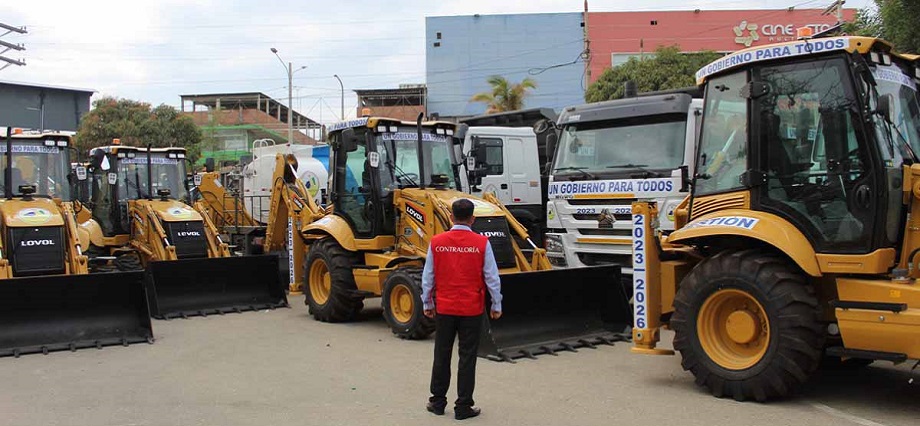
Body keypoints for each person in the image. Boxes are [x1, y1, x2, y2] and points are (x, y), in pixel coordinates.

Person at [421, 198, 502, 421]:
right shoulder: (481, 243)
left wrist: (427, 303)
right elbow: (491, 277)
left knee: (441, 354)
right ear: (472, 219)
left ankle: (437, 402)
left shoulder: (436, 242)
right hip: (471, 309)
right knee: (467, 357)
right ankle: (463, 406)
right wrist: (496, 304)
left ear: (450, 216)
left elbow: (428, 276)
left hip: (445, 307)